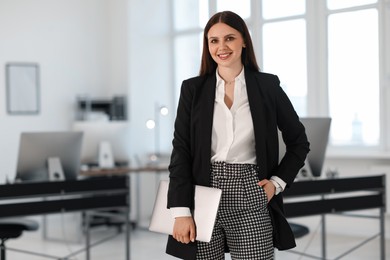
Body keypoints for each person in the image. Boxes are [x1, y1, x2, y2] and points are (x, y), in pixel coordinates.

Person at [166, 10, 310, 260]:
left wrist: (276, 184)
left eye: (229, 38)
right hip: (202, 192)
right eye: (214, 40)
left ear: (244, 40)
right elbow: (182, 150)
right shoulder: (193, 90)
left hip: (250, 192)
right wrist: (181, 211)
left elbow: (299, 142)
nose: (221, 47)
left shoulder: (267, 87)